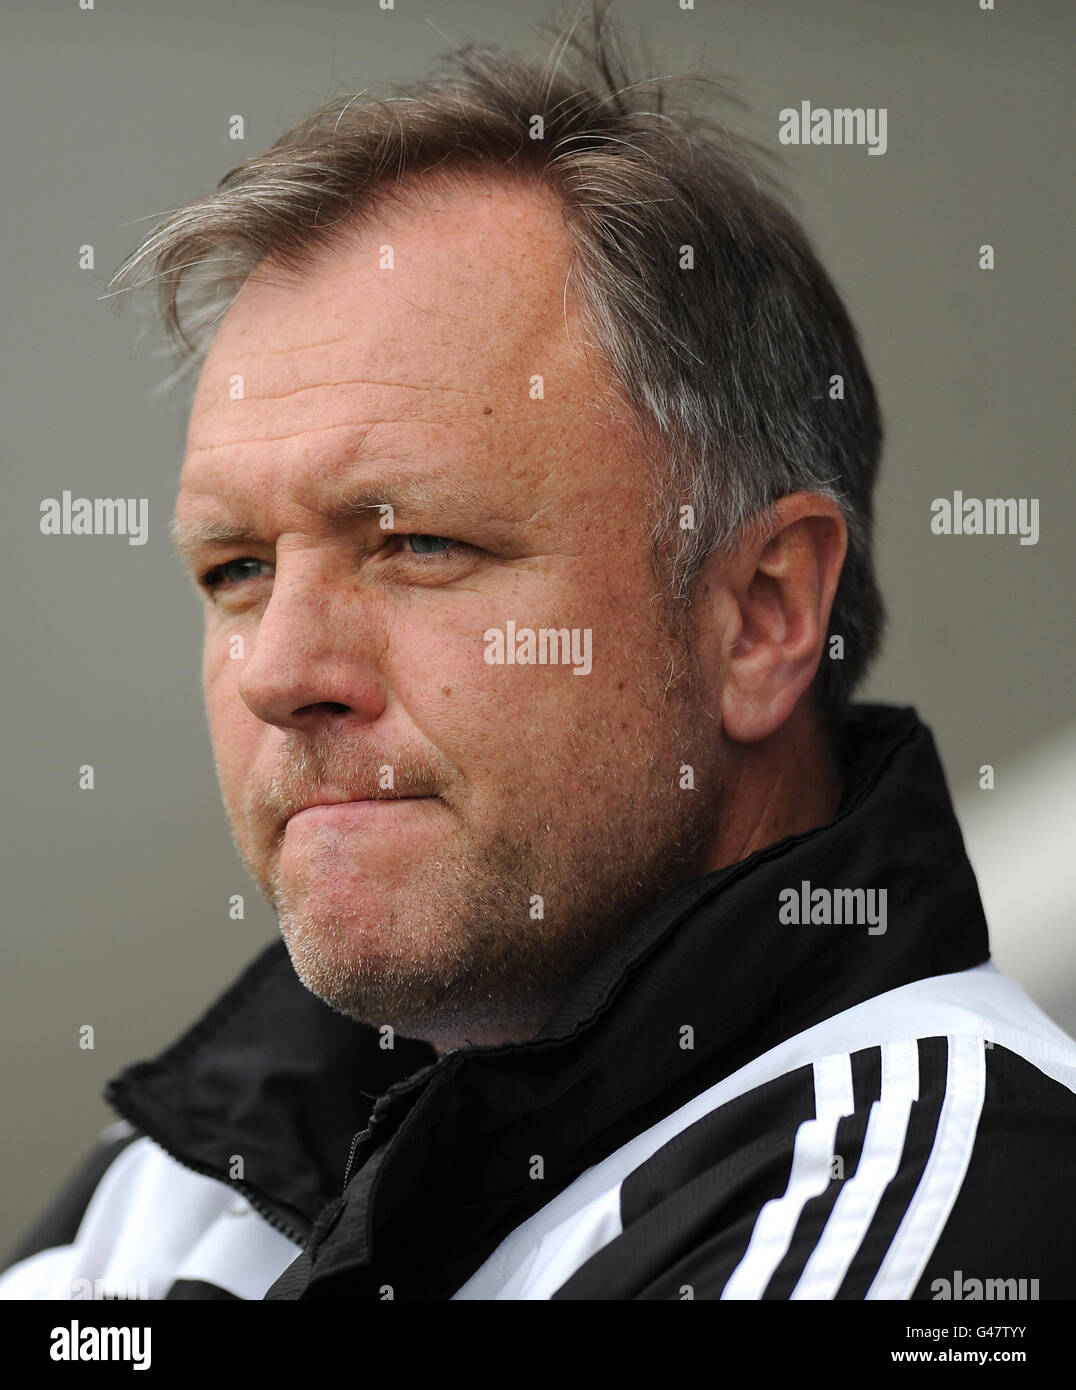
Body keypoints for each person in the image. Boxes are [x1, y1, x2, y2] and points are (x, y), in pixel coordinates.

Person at [3, 5, 1073, 1301]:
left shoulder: (935, 1209)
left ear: (763, 613)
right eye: (236, 569)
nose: (279, 672)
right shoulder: (168, 1183)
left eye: (417, 546)